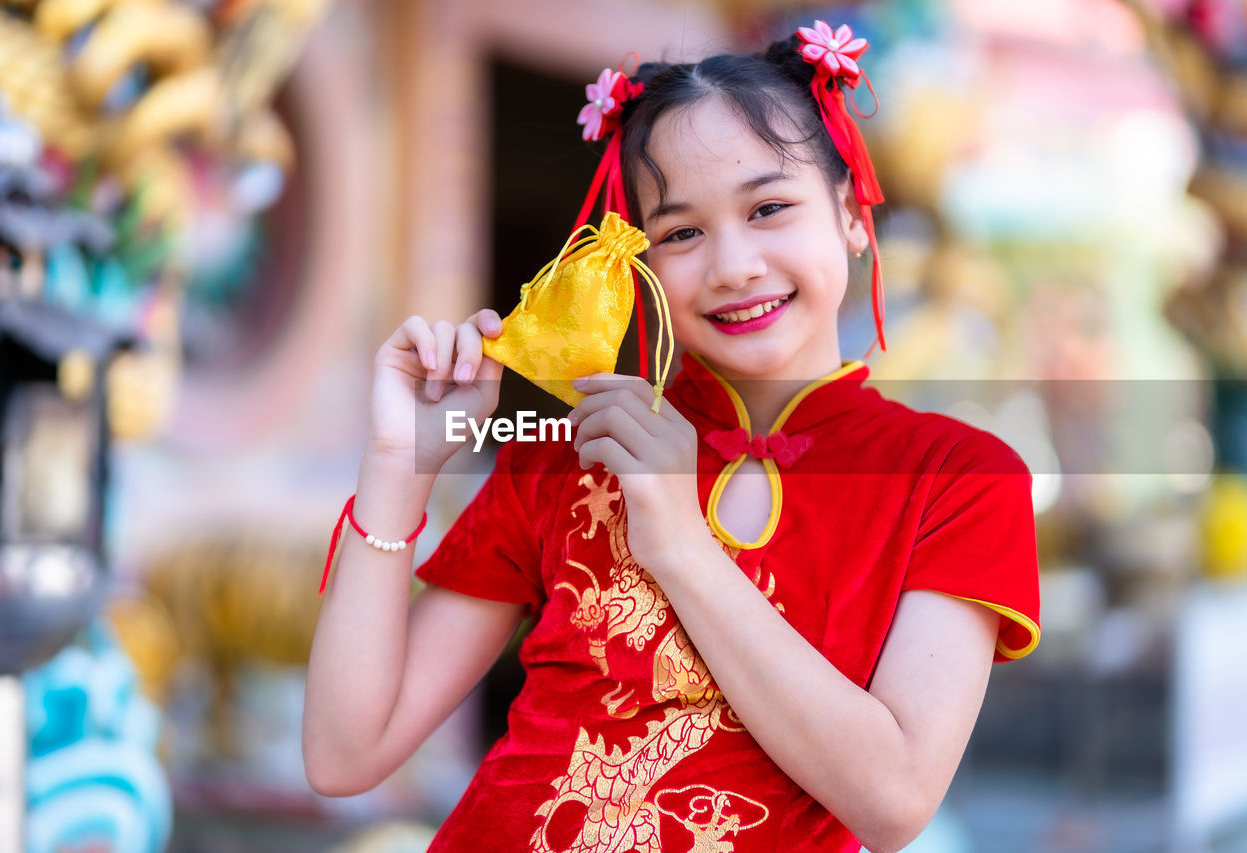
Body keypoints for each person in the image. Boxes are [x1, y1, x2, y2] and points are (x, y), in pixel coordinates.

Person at [303, 24, 1040, 853]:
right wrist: (398, 470)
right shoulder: (568, 451)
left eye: (768, 209)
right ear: (639, 260)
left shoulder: (955, 479)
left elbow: (896, 797)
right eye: (682, 232)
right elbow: (344, 753)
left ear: (851, 214)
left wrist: (681, 543)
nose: (733, 266)